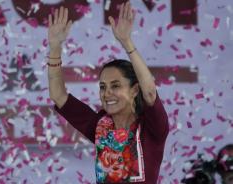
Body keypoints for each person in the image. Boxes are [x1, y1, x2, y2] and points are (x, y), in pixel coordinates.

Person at [47, 2, 169, 183]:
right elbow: (58, 96)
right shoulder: (99, 126)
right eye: (103, 87)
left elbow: (150, 93)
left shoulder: (153, 128)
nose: (107, 93)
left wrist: (127, 42)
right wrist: (55, 47)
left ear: (135, 90)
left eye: (116, 86)